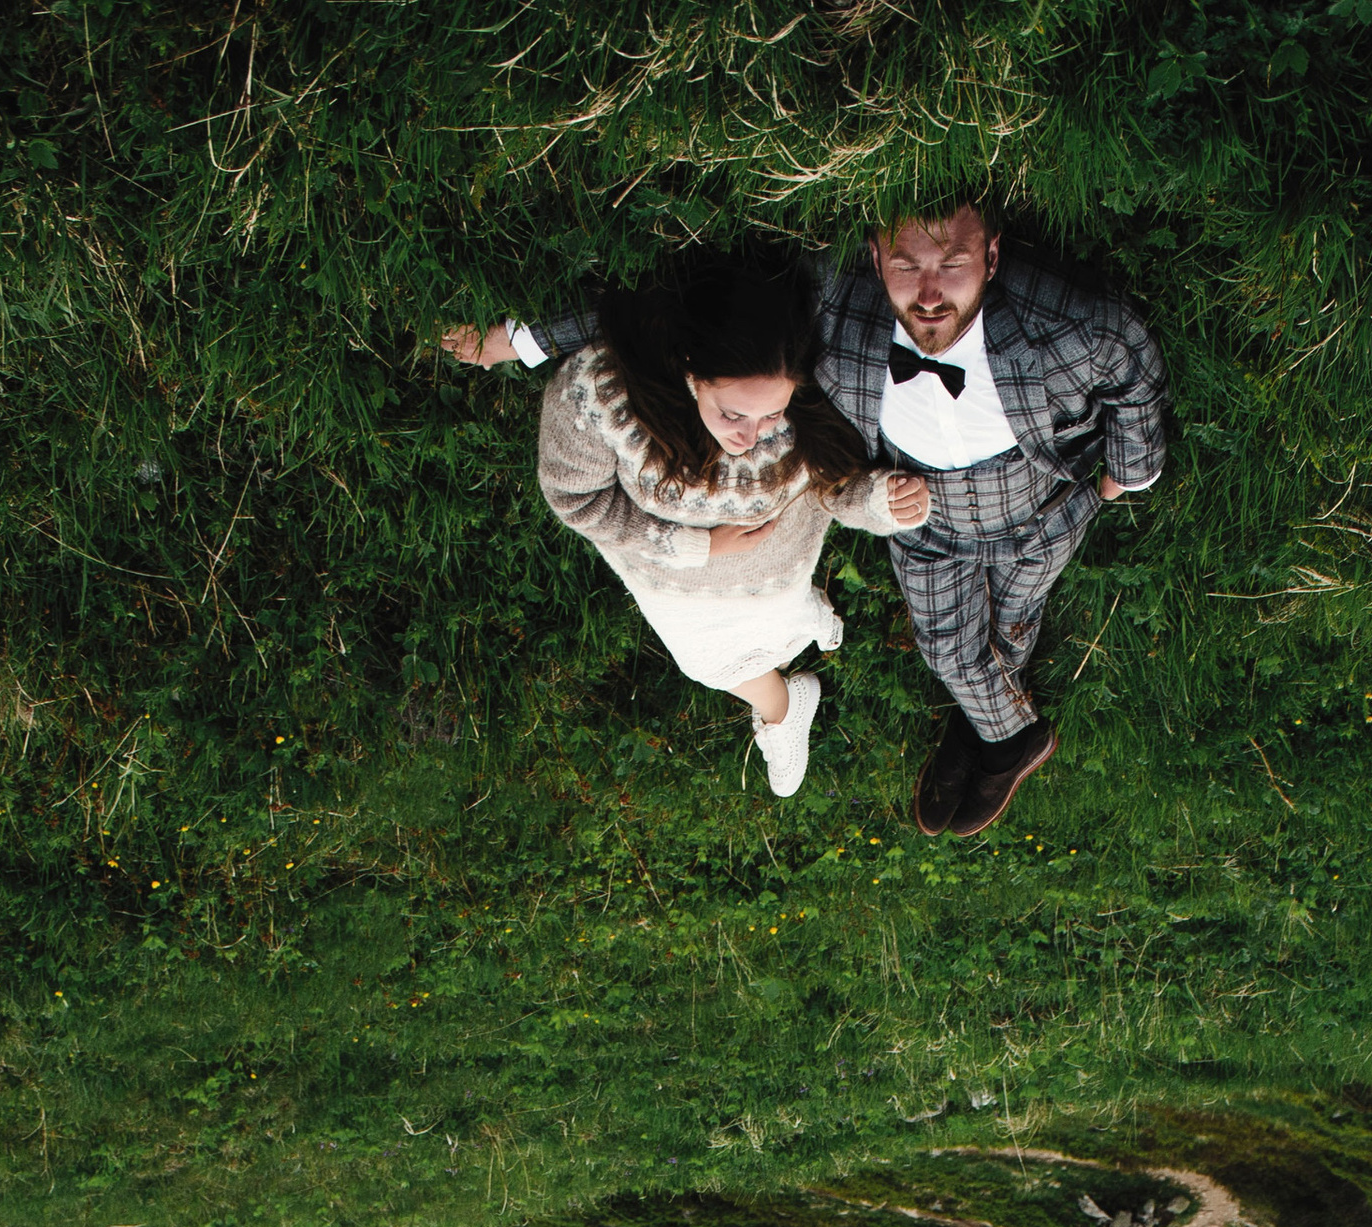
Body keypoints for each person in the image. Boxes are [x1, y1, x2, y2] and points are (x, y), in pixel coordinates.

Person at [461, 208, 1165, 836]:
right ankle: (1005, 735)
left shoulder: (1061, 321)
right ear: (874, 255)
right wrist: (522, 340)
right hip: (921, 528)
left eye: (952, 264)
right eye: (905, 265)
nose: (927, 293)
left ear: (992, 254)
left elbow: (1130, 358)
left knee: (1016, 615)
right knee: (947, 646)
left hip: (1041, 505)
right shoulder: (833, 301)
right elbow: (654, 312)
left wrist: (1129, 470)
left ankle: (985, 732)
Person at [443, 255, 928, 799]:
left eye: (770, 414)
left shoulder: (810, 405)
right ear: (693, 370)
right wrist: (694, 544)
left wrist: (884, 502)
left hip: (779, 575)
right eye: (732, 414)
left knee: (769, 639)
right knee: (708, 665)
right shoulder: (601, 395)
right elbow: (575, 499)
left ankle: (785, 684)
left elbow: (838, 489)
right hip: (671, 579)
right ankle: (785, 709)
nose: (750, 436)